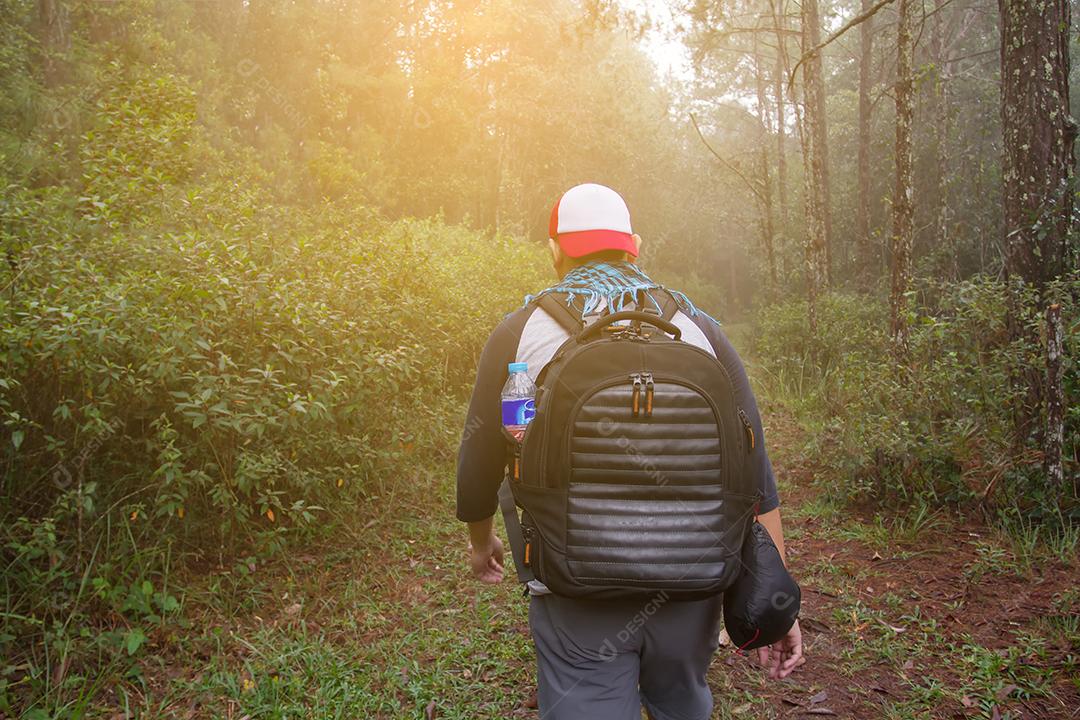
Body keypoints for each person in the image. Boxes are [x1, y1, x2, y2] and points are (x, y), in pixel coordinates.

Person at [456, 183, 802, 720]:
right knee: (681, 699)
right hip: (692, 578)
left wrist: (482, 541)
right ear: (634, 246)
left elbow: (480, 456)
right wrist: (775, 599)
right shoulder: (700, 329)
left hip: (574, 583)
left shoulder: (520, 332)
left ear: (555, 251)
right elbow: (754, 472)